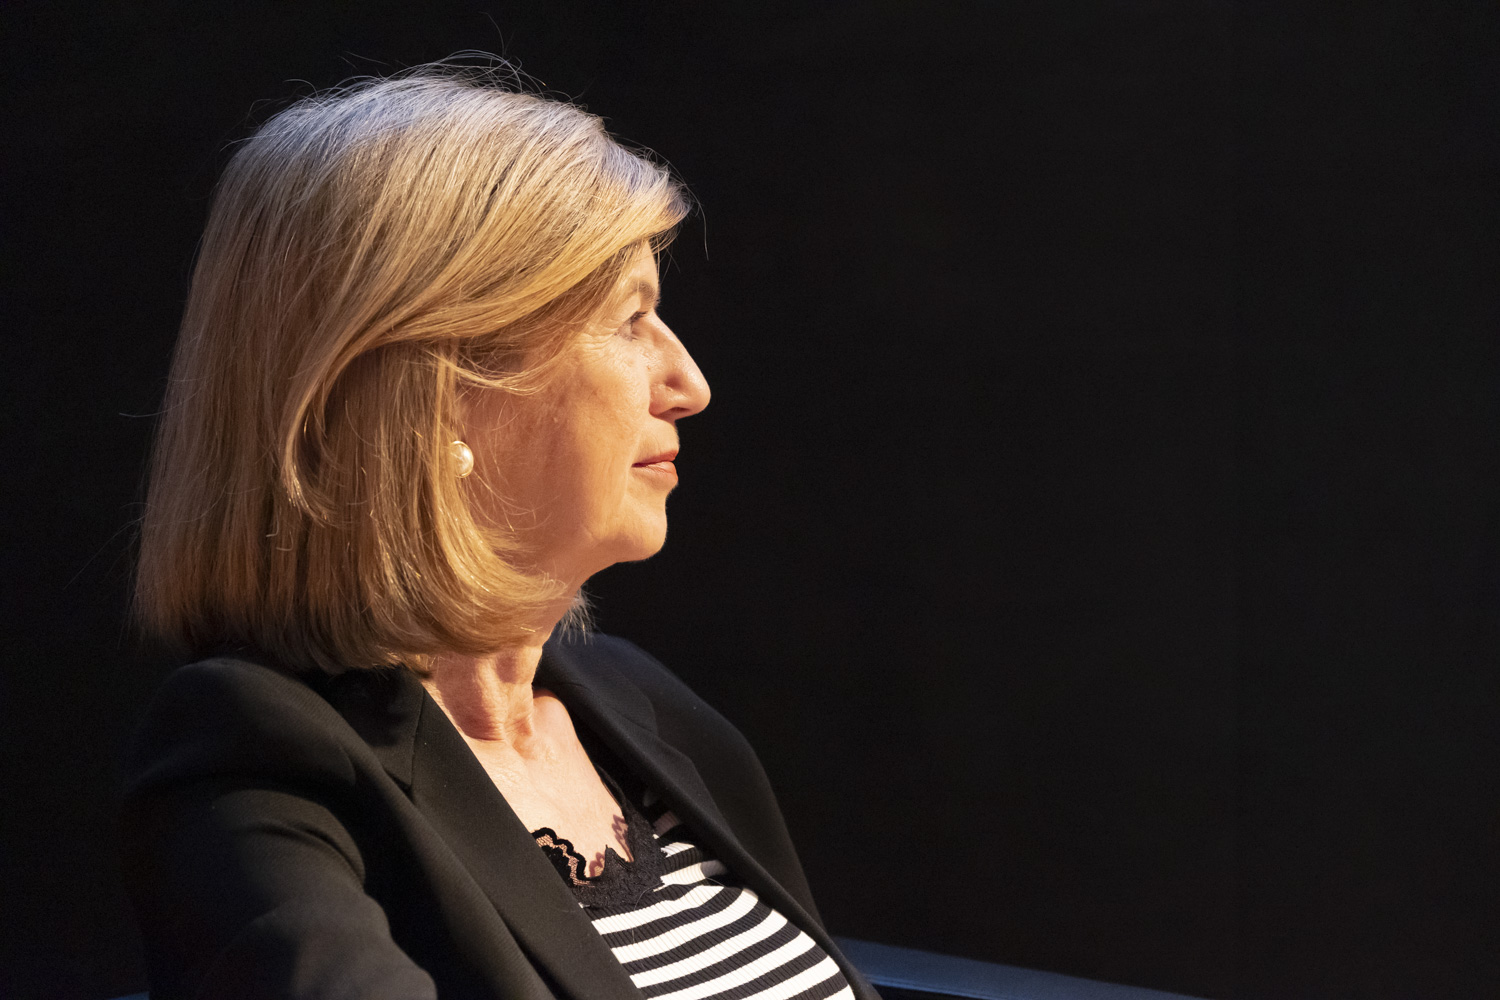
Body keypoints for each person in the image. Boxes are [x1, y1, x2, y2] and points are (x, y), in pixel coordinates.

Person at [122, 62, 876, 1000]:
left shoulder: (642, 705)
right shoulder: (255, 763)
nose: (689, 384)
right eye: (630, 318)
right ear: (443, 391)